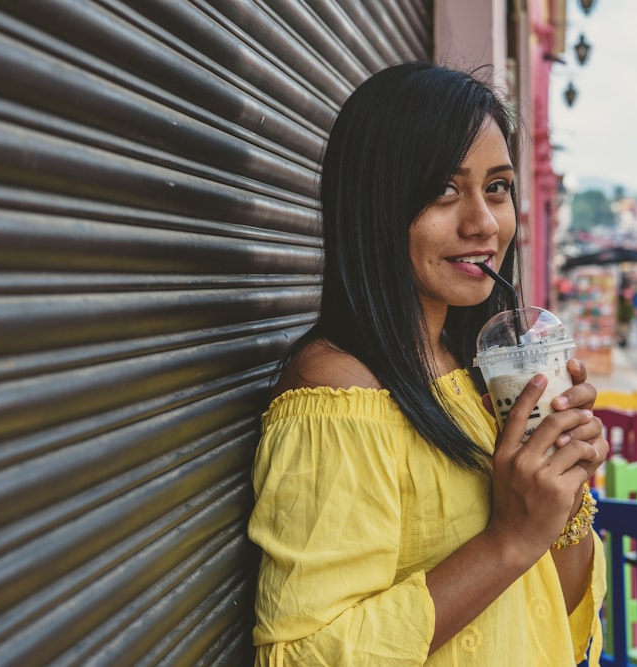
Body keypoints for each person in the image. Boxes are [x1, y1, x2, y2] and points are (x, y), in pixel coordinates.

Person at [248, 63, 608, 666]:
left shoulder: (472, 374)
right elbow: (301, 655)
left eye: (496, 187)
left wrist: (563, 499)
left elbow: (554, 614)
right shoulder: (338, 395)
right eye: (445, 188)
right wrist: (508, 540)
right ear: (375, 203)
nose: (484, 223)